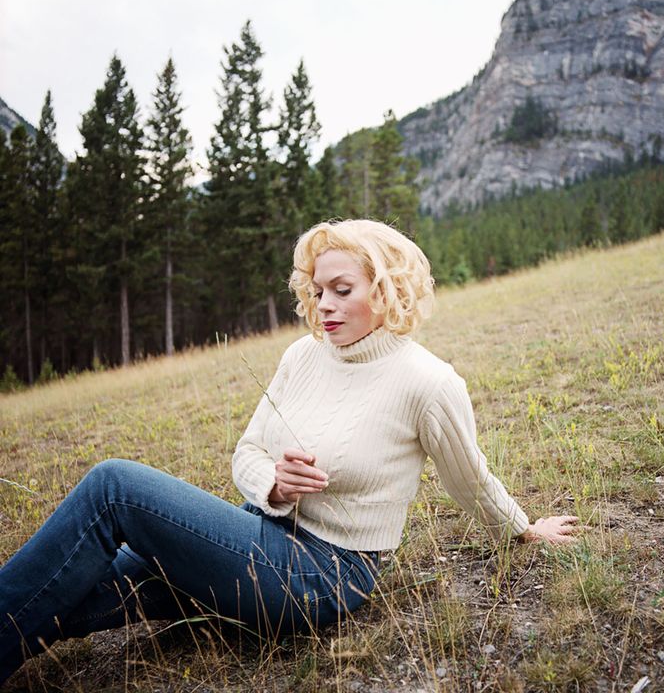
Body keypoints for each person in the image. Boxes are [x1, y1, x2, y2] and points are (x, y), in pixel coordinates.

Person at [0, 219, 577, 685]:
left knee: (114, 487)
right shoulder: (302, 356)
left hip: (325, 573)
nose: (324, 305)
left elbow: (469, 477)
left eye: (342, 290)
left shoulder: (428, 382)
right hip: (257, 531)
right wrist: (274, 484)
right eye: (318, 291)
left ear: (386, 290)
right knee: (93, 581)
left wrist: (522, 528)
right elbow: (248, 451)